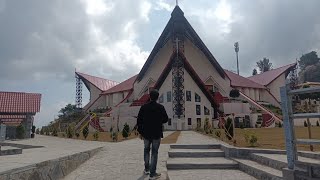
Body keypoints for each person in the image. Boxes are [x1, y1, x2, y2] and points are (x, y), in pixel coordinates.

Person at [137, 89, 168, 180]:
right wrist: (159, 120)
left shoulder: (144, 107)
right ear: (157, 97)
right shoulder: (160, 107)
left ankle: (147, 169)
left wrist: (141, 132)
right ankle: (152, 174)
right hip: (156, 133)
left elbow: (139, 121)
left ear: (149, 96)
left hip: (146, 133)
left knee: (146, 150)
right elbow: (165, 119)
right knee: (154, 152)